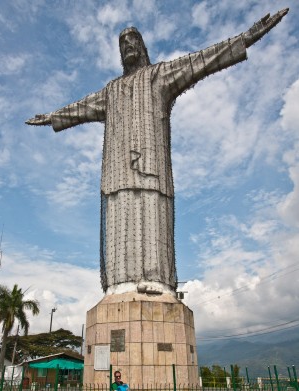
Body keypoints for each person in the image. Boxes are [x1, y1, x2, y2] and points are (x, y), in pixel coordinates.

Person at [26, 10, 288, 296]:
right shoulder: (111, 91)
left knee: (152, 217)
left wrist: (246, 38)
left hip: (152, 164)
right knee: (120, 221)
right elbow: (80, 108)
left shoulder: (159, 76)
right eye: (122, 42)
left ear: (142, 46)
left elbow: (201, 61)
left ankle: (157, 281)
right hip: (117, 170)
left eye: (132, 40)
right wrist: (53, 117)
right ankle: (119, 285)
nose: (127, 46)